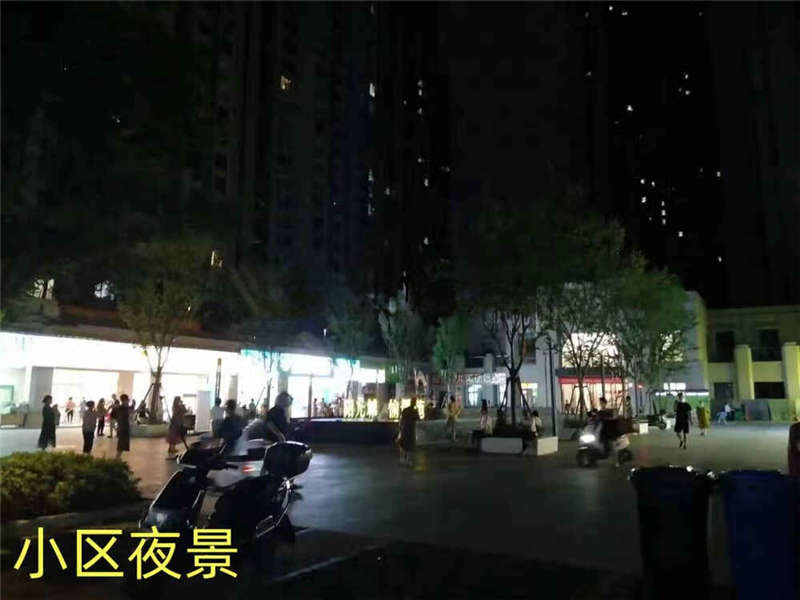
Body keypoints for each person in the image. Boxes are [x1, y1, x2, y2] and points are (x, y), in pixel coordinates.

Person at [398, 397, 419, 467]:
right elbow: (418, 419)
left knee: (404, 445)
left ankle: (403, 459)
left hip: (405, 429)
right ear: (414, 403)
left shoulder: (405, 410)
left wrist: (400, 428)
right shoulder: (415, 411)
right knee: (410, 446)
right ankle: (408, 461)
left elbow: (401, 420)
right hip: (411, 430)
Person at [116, 394, 131, 460]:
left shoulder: (125, 408)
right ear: (124, 400)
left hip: (125, 428)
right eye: (127, 400)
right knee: (121, 445)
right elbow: (119, 419)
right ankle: (117, 458)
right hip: (123, 428)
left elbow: (132, 412)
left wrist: (140, 406)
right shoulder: (121, 408)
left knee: (122, 445)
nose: (128, 401)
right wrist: (120, 428)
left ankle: (117, 458)